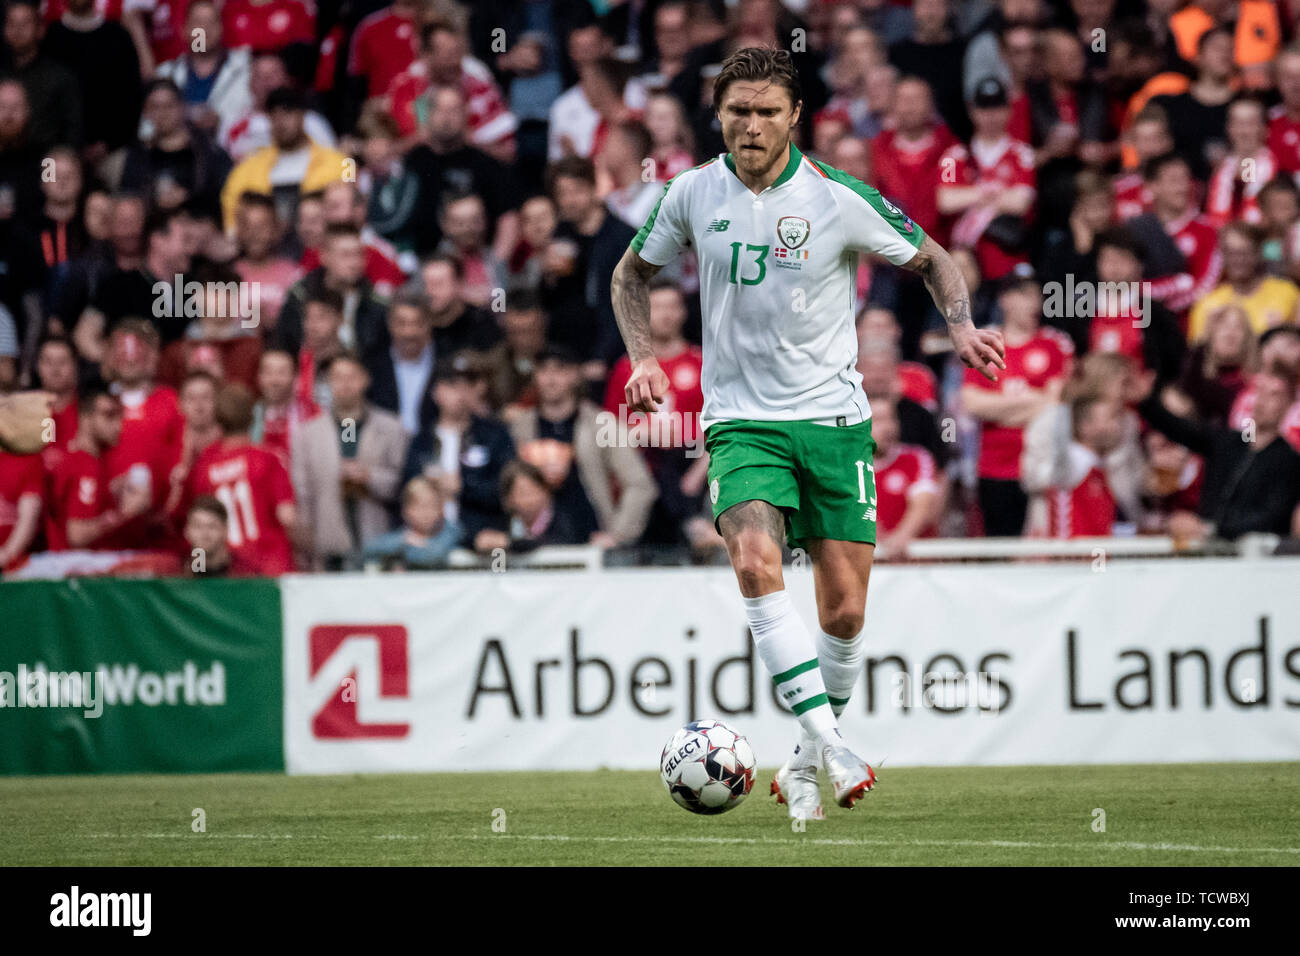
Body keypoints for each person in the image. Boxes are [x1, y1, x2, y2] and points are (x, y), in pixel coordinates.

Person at [612, 48, 1005, 819]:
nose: (750, 125)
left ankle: (800, 763)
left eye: (766, 111)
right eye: (737, 111)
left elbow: (936, 260)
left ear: (795, 117)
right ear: (718, 115)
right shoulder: (692, 192)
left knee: (846, 615)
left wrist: (959, 329)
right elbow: (632, 275)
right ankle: (835, 743)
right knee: (757, 565)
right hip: (741, 423)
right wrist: (643, 360)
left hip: (834, 422)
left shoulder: (837, 197)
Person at [290, 351, 409, 569]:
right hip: (328, 546)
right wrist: (306, 543)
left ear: (365, 380)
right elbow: (302, 492)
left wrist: (369, 477)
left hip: (379, 543)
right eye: (338, 378)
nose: (345, 385)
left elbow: (403, 483)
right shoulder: (307, 435)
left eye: (351, 377)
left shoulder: (391, 428)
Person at [178, 383, 297, 574]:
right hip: (270, 567)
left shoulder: (204, 464)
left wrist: (196, 569)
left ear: (217, 419)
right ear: (252, 418)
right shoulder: (268, 459)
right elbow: (287, 516)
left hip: (225, 569)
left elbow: (196, 525)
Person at [362, 475, 462, 569]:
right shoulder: (403, 536)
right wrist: (404, 541)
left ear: (441, 509)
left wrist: (406, 548)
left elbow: (434, 556)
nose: (426, 513)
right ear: (406, 511)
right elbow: (370, 549)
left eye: (433, 506)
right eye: (420, 507)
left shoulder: (451, 532)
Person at [181, 495, 258, 576]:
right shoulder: (175, 573)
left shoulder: (245, 574)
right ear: (186, 531)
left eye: (212, 526)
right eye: (197, 526)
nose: (204, 534)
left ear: (226, 530)